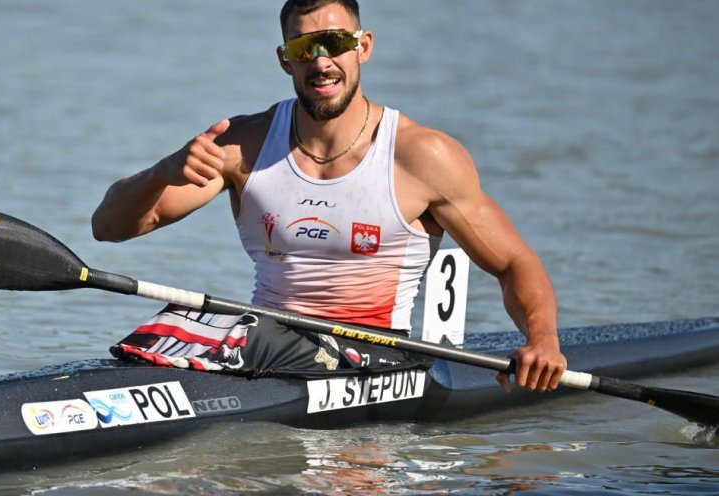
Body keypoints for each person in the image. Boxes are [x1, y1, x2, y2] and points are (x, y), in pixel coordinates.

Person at [92, 0, 567, 392]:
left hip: (380, 355)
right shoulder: (243, 144)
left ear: (363, 47)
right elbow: (109, 228)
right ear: (285, 59)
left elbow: (513, 264)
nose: (321, 61)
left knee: (206, 329)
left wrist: (542, 340)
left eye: (336, 43)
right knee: (182, 318)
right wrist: (162, 170)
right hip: (265, 335)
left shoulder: (422, 156)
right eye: (304, 47)